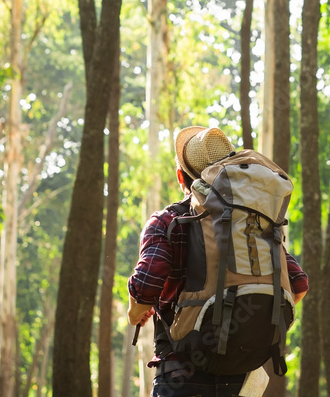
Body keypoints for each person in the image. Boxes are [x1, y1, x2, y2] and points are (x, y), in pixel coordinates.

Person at [128, 126, 309, 397]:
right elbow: (299, 285)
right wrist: (243, 317)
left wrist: (135, 314)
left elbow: (146, 286)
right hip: (239, 377)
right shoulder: (253, 222)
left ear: (181, 177)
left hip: (180, 375)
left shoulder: (167, 221)